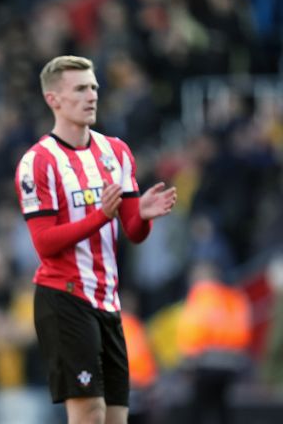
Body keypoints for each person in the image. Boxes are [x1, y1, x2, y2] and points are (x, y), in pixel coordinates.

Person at [14, 55, 177, 424]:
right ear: (53, 99)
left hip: (108, 299)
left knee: (117, 416)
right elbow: (45, 243)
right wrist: (100, 216)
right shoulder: (38, 162)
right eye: (80, 89)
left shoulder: (116, 151)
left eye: (94, 87)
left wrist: (143, 216)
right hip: (65, 297)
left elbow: (133, 232)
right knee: (89, 412)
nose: (92, 96)